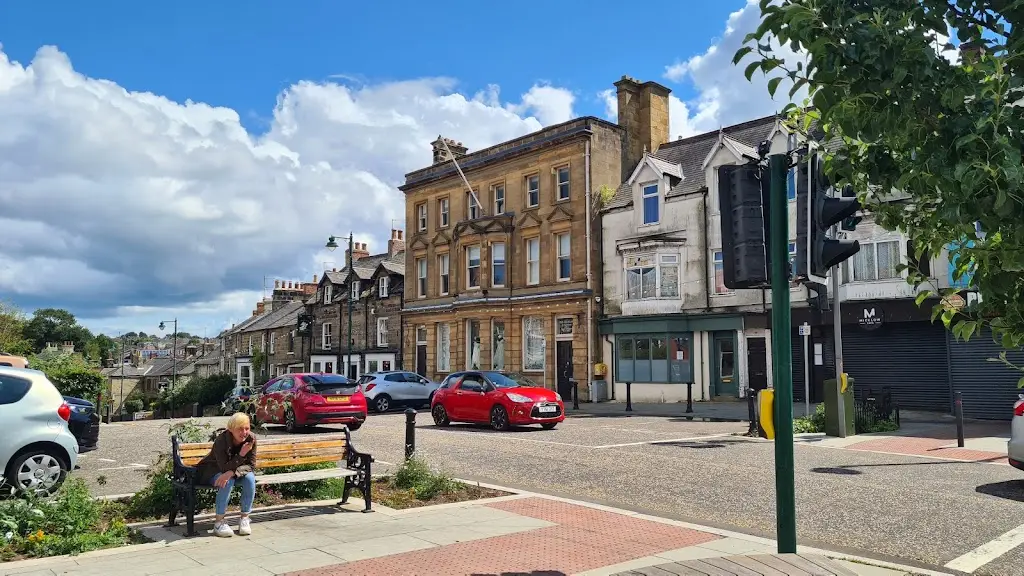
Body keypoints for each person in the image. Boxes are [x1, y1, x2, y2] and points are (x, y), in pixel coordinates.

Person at [196, 412, 257, 537]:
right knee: (227, 481)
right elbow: (223, 467)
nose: (244, 432)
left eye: (247, 428)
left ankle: (244, 518)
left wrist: (232, 472)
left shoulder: (251, 439)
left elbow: (251, 465)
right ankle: (219, 522)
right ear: (231, 429)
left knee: (250, 478)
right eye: (240, 429)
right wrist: (241, 455)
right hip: (211, 471)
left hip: (233, 473)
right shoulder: (221, 441)